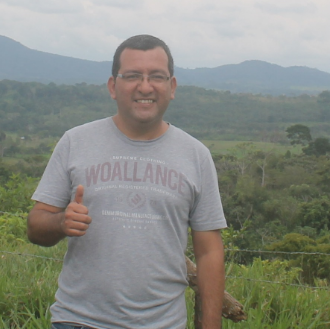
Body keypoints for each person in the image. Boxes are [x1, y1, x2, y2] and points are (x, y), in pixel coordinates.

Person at [27, 35, 227, 329]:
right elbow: (35, 226)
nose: (145, 87)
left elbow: (209, 252)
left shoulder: (195, 155)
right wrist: (60, 223)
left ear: (171, 87)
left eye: (156, 77)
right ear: (113, 86)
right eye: (132, 76)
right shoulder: (76, 142)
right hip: (79, 321)